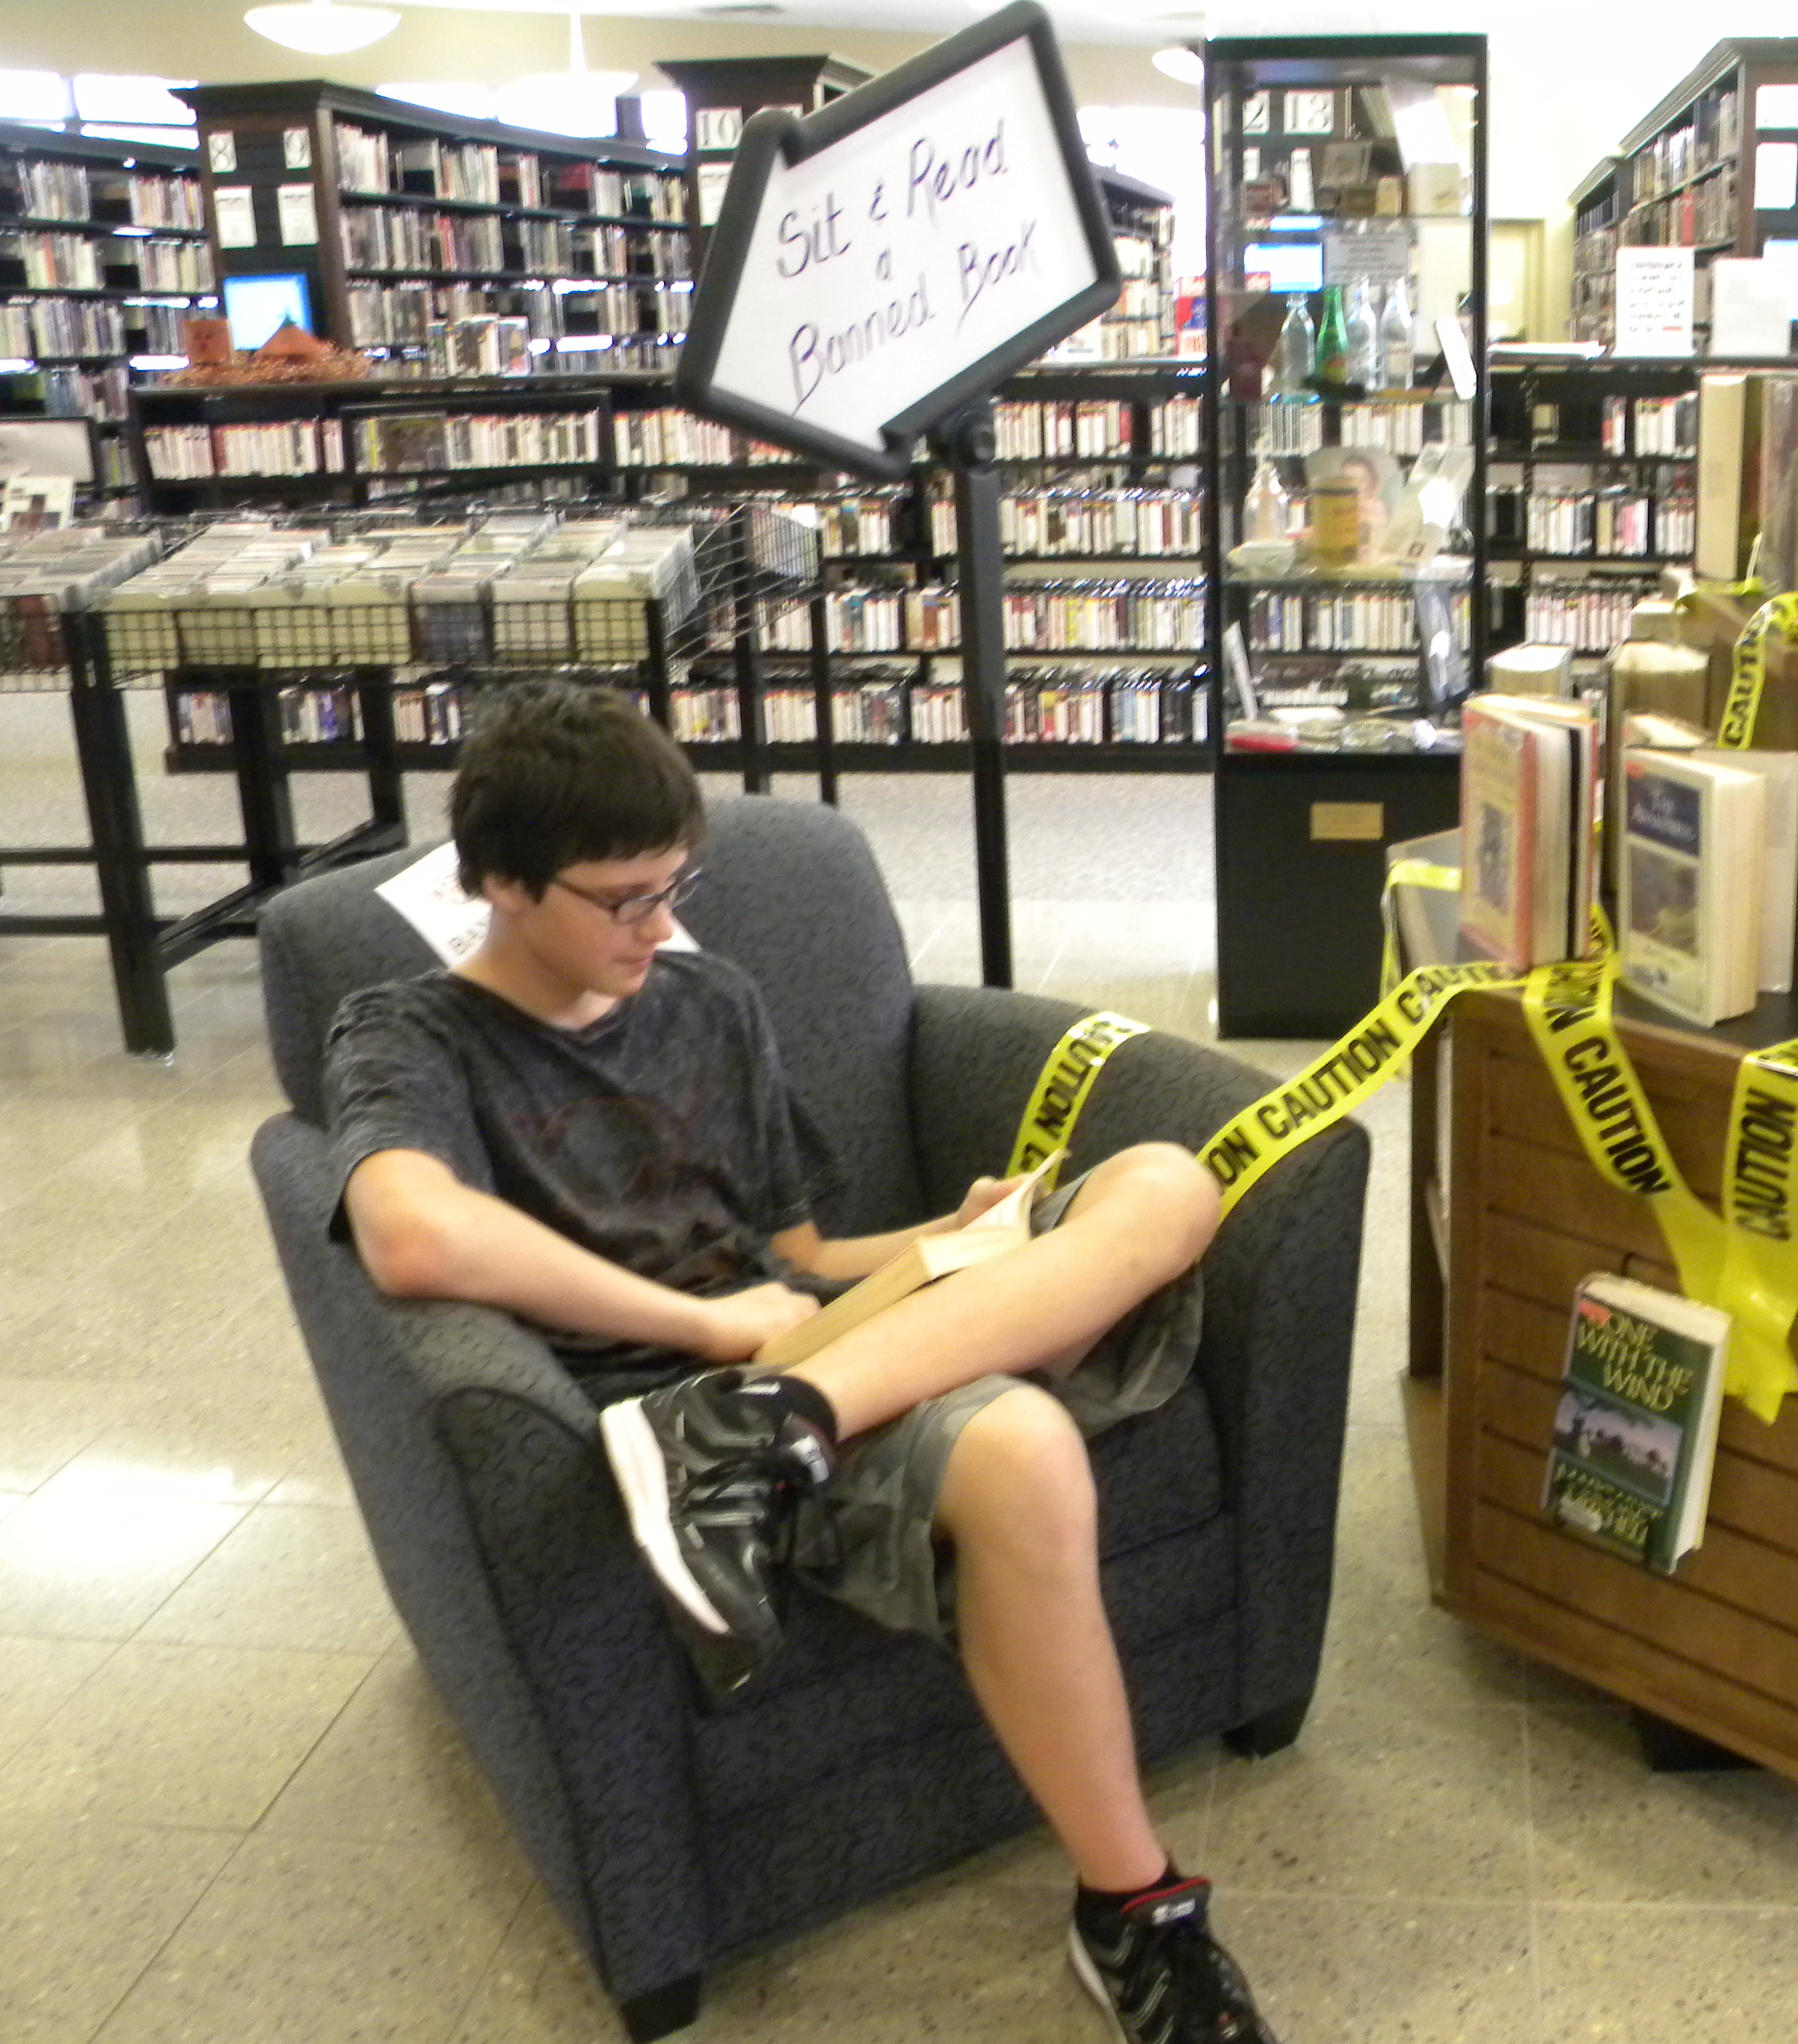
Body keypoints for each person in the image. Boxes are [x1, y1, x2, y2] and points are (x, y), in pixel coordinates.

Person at [323, 680, 1278, 2044]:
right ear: (501, 886)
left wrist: (946, 1239)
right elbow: (410, 1235)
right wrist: (716, 1332)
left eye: (677, 887)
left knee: (1171, 1183)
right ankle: (1135, 1908)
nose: (662, 927)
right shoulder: (409, 1031)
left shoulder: (708, 995)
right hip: (670, 1397)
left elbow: (804, 1251)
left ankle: (792, 1419)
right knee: (1019, 1449)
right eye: (624, 899)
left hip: (810, 1351)